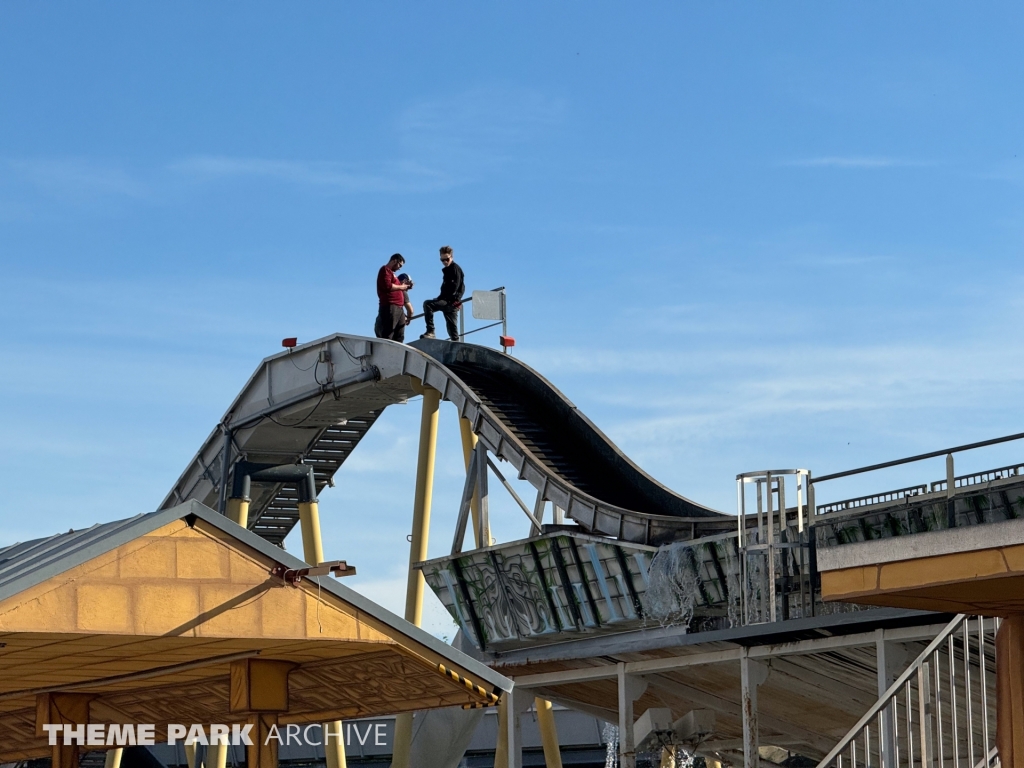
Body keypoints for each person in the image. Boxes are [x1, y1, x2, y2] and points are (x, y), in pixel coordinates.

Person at [421, 245, 465, 341]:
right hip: (450, 301)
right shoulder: (449, 270)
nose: (444, 262)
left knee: (427, 304)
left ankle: (430, 331)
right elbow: (448, 288)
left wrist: (450, 299)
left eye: (447, 259)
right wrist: (440, 298)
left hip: (450, 302)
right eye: (442, 260)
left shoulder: (455, 269)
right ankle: (456, 344)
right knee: (452, 329)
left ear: (451, 257)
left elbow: (455, 287)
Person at [375, 253, 413, 342]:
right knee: (388, 333)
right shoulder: (385, 270)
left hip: (399, 308)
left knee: (399, 335)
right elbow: (388, 286)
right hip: (390, 306)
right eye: (400, 265)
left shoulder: (392, 274)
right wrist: (402, 287)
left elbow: (397, 287)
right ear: (394, 261)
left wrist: (406, 286)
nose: (399, 268)